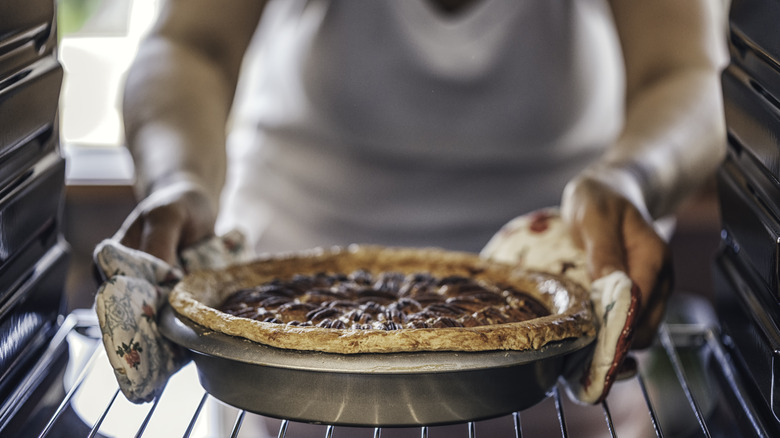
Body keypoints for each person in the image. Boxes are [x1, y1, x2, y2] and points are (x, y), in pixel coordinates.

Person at [115, 0, 726, 422]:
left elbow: (683, 72)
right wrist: (180, 180)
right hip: (288, 368)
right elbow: (189, 44)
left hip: (558, 336)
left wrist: (631, 179)